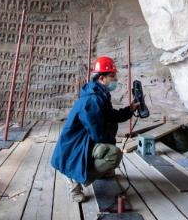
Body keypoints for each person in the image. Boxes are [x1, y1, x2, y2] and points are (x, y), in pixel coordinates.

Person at [51, 56, 140, 203]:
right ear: (102, 78)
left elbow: (111, 116)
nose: (115, 79)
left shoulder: (100, 94)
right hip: (74, 148)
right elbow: (97, 134)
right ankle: (74, 178)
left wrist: (130, 109)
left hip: (85, 140)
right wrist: (109, 145)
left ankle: (100, 171)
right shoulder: (92, 100)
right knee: (114, 155)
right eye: (112, 76)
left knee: (111, 127)